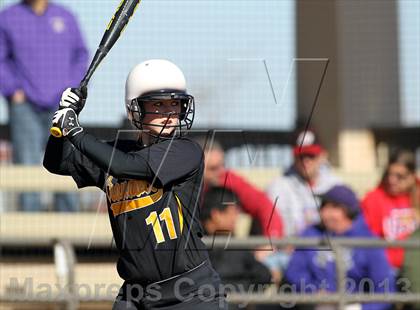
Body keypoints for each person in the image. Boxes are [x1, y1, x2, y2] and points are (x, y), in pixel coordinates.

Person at [43, 59, 226, 309]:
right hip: (136, 294)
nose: (169, 113)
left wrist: (75, 131)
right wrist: (61, 125)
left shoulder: (185, 152)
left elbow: (125, 166)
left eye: (175, 104)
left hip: (190, 293)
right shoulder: (117, 153)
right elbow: (56, 163)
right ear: (134, 109)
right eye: (158, 105)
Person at [0, 0, 88, 211]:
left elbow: (81, 55)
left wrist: (72, 91)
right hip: (25, 107)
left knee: (66, 161)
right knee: (28, 166)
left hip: (62, 107)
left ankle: (68, 234)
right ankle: (31, 237)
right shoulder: (8, 17)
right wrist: (13, 90)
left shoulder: (66, 16)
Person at [285, 185, 395, 310]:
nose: (324, 213)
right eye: (323, 206)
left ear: (348, 211)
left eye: (333, 207)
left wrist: (358, 308)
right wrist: (313, 290)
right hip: (318, 304)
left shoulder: (368, 242)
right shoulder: (310, 234)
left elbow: (385, 289)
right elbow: (294, 271)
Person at [201, 186, 273, 310]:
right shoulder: (196, 244)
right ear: (216, 215)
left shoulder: (233, 244)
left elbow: (263, 275)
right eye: (233, 212)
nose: (236, 218)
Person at [198, 138, 283, 238]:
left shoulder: (228, 180)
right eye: (213, 168)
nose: (220, 172)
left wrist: (270, 242)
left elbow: (265, 207)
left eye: (222, 165)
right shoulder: (181, 187)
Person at [266, 129, 342, 237]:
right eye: (301, 156)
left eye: (311, 156)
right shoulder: (278, 187)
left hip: (327, 249)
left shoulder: (336, 186)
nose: (306, 161)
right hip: (291, 249)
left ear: (323, 156)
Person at [361, 149, 419, 271]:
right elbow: (369, 235)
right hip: (387, 268)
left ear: (412, 176)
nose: (392, 180)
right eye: (389, 174)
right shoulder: (373, 198)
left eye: (400, 176)